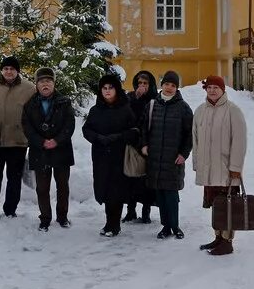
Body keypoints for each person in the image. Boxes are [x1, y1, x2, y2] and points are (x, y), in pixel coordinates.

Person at [192, 75, 248, 256]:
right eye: (209, 87)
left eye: (216, 87)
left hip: (226, 169)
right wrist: (197, 163)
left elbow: (239, 142)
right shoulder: (200, 111)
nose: (212, 90)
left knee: (228, 204)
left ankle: (227, 241)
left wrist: (236, 168)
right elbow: (196, 140)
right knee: (216, 204)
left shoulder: (233, 111)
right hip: (208, 168)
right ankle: (218, 237)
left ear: (223, 89)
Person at [82, 72, 139, 237]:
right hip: (101, 156)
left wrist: (118, 137)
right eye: (104, 88)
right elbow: (86, 129)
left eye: (110, 88)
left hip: (119, 156)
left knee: (117, 191)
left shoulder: (125, 108)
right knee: (105, 190)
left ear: (116, 90)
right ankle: (109, 222)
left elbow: (134, 131)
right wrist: (98, 138)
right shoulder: (96, 109)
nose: (107, 91)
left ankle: (114, 224)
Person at [21, 66, 76, 230]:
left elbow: (69, 124)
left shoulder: (64, 102)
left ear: (54, 84)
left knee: (63, 187)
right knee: (42, 188)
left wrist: (57, 140)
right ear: (37, 84)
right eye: (42, 81)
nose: (45, 84)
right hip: (40, 151)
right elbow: (27, 127)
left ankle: (62, 216)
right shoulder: (29, 104)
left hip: (61, 150)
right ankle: (45, 218)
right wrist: (41, 142)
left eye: (49, 81)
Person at [0, 55, 36, 219]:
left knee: (14, 178)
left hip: (18, 141)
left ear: (17, 71)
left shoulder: (29, 88)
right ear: (1, 70)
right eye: (6, 68)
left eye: (12, 69)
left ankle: (10, 209)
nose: (8, 71)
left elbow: (34, 114)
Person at [142, 70, 193, 240]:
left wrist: (184, 154)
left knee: (171, 193)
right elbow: (144, 129)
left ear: (177, 88)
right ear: (161, 85)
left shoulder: (183, 107)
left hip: (173, 158)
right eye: (167, 84)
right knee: (160, 194)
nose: (169, 88)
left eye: (173, 85)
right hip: (155, 157)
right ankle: (165, 226)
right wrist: (144, 145)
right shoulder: (152, 105)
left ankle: (175, 225)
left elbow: (190, 134)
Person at [124, 70, 157, 224]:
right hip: (132, 143)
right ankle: (131, 211)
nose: (142, 86)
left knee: (146, 180)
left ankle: (146, 211)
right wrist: (136, 98)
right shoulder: (130, 97)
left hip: (148, 144)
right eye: (139, 83)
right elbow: (126, 116)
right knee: (131, 178)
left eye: (145, 83)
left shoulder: (155, 99)